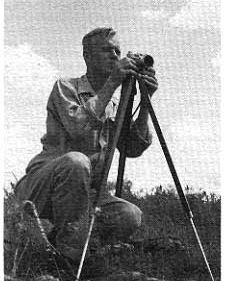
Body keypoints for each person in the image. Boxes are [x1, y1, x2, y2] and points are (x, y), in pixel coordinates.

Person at [15, 27, 158, 263]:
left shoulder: (114, 104)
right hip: (43, 185)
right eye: (106, 50)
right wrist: (113, 83)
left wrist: (145, 102)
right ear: (87, 57)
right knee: (76, 161)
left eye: (117, 50)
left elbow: (133, 148)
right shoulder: (65, 87)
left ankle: (71, 248)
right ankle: (68, 260)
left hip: (87, 194)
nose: (114, 55)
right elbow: (76, 126)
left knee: (129, 215)